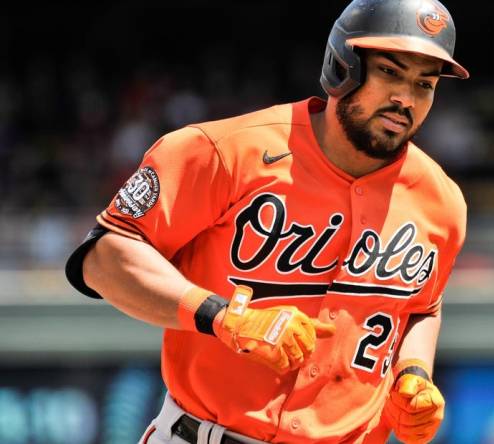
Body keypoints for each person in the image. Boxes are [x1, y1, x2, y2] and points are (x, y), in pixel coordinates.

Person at [65, 0, 469, 443]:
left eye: (424, 84)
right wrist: (222, 316)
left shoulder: (441, 200)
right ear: (342, 66)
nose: (405, 98)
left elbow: (420, 307)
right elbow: (104, 257)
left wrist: (415, 374)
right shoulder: (223, 151)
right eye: (390, 72)